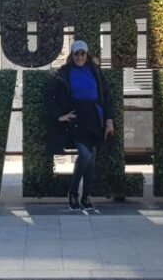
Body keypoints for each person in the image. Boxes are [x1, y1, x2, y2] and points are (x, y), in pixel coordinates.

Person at [48, 40, 115, 211]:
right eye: (76, 54)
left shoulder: (96, 71)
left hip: (94, 118)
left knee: (91, 161)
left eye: (82, 54)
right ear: (72, 55)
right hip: (76, 118)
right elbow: (50, 96)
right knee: (85, 156)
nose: (79, 57)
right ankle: (72, 194)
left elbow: (107, 97)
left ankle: (86, 196)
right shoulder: (64, 72)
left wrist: (109, 120)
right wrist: (60, 116)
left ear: (87, 55)